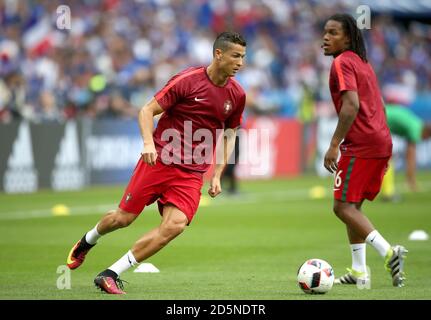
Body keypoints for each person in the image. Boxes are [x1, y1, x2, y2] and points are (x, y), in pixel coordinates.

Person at [66, 31, 247, 294]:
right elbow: (146, 110)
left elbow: (230, 134)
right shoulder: (188, 80)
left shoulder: (237, 95)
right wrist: (148, 143)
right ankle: (88, 240)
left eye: (243, 57)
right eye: (236, 56)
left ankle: (111, 273)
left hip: (191, 172)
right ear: (218, 54)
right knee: (123, 218)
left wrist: (218, 173)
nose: (240, 62)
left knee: (175, 225)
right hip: (160, 161)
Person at [321, 14, 407, 287]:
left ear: (348, 38)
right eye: (325, 32)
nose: (326, 37)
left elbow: (351, 105)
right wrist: (383, 143)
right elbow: (378, 104)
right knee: (353, 205)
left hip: (361, 143)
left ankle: (389, 252)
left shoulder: (343, 61)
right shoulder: (362, 62)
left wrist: (334, 144)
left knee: (342, 207)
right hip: (378, 140)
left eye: (333, 33)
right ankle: (360, 272)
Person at [380, 103, 431, 200]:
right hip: (379, 118)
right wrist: (411, 180)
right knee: (387, 157)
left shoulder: (416, 123)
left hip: (380, 115)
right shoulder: (416, 129)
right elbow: (410, 157)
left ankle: (385, 191)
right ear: (427, 133)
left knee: (386, 157)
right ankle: (388, 193)